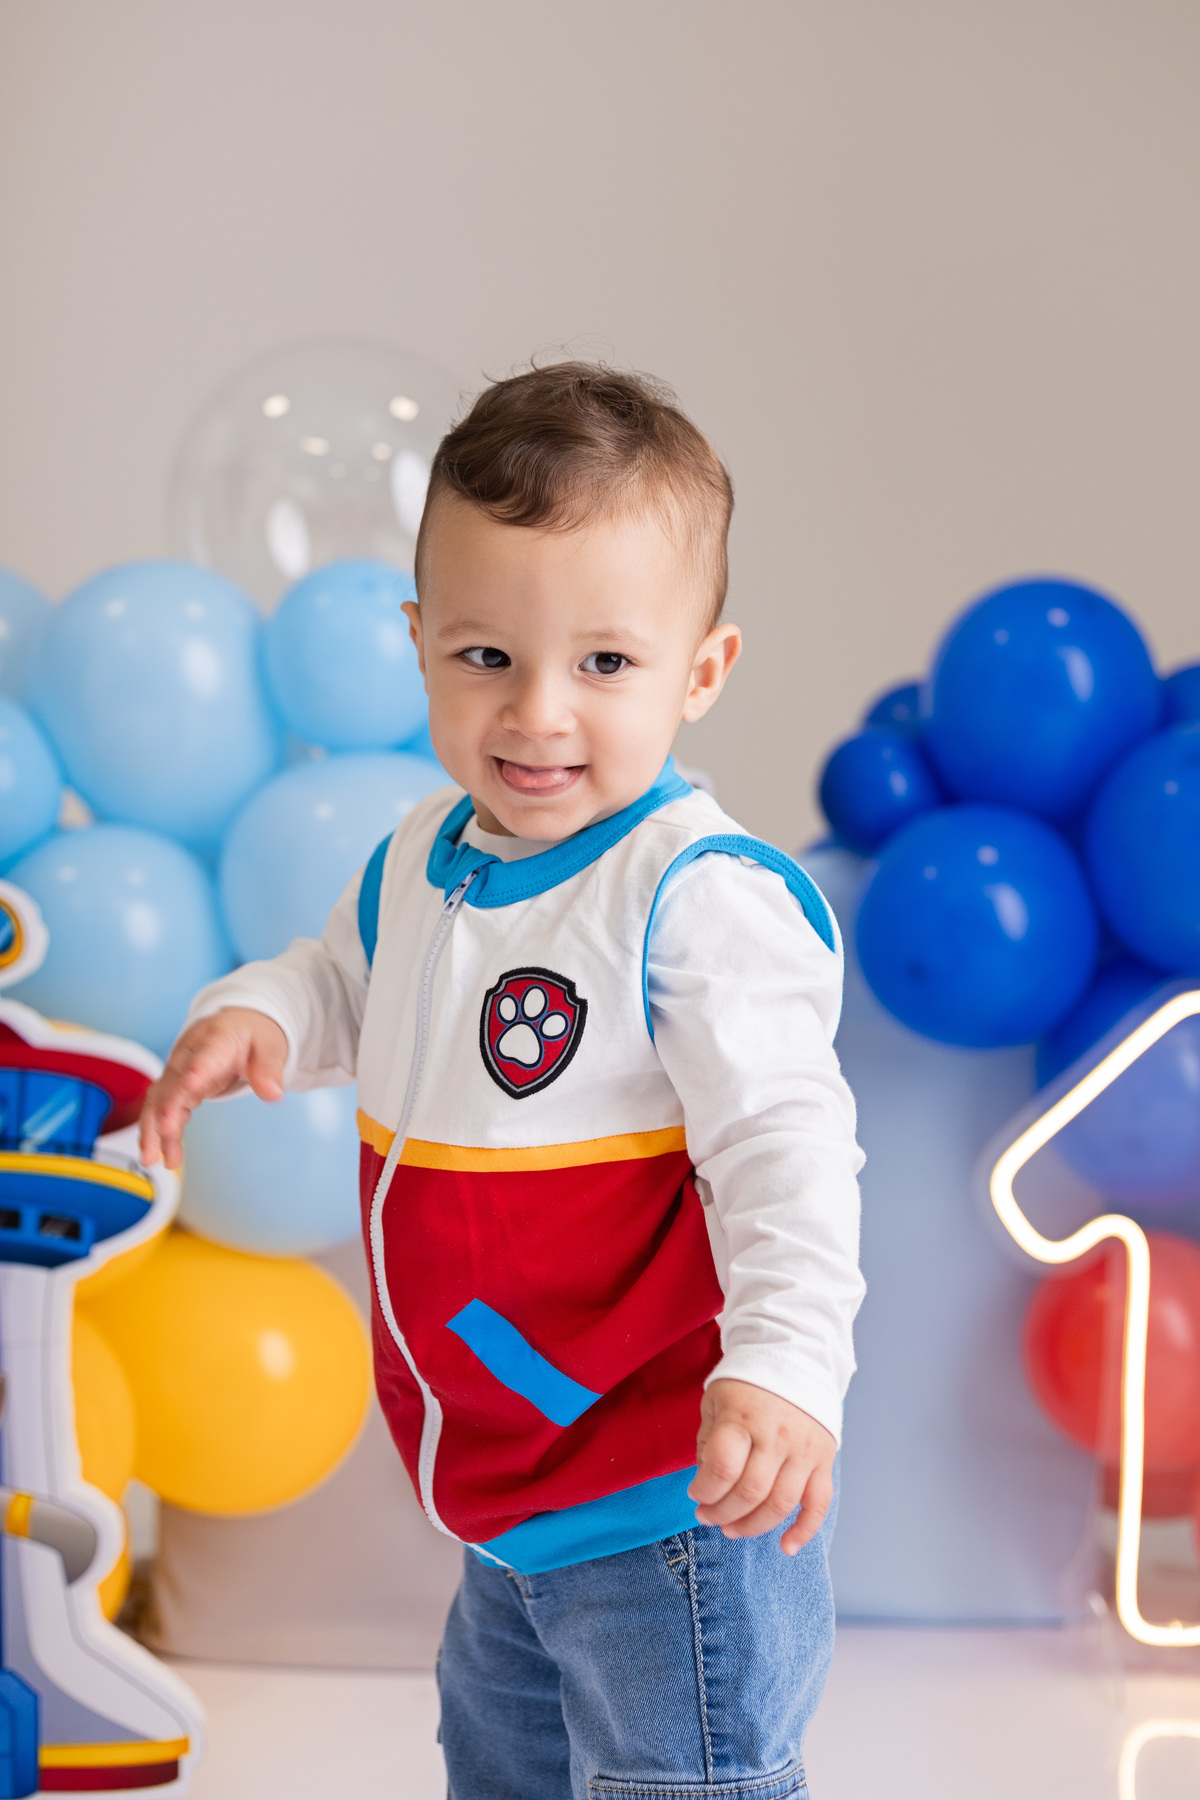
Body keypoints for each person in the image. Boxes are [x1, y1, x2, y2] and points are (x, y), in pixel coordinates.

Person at [140, 363, 865, 1800]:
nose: (537, 713)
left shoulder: (694, 897)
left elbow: (787, 1148)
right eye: (486, 656)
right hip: (506, 1487)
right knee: (503, 1767)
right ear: (419, 644)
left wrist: (784, 1368)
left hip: (665, 1491)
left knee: (680, 1776)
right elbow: (349, 978)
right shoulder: (427, 853)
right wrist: (262, 1013)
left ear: (700, 672)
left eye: (605, 665)